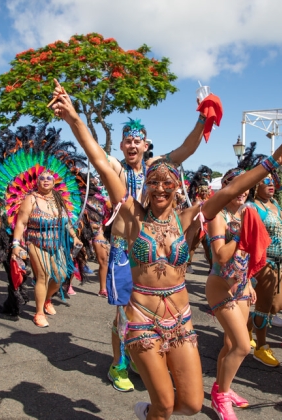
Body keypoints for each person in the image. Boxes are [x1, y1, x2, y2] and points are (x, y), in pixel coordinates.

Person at [53, 82, 282, 419]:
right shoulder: (133, 217)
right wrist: (74, 117)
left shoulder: (189, 218)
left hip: (181, 321)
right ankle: (143, 396)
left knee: (192, 406)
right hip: (144, 320)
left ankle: (147, 411)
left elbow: (233, 189)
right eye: (154, 182)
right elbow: (100, 162)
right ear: (147, 187)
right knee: (166, 406)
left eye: (168, 182)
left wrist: (273, 162)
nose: (161, 187)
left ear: (177, 185)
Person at [53, 81, 212, 393]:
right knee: (124, 311)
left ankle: (147, 358)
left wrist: (203, 118)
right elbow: (95, 153)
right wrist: (74, 118)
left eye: (137, 140)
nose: (131, 145)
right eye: (127, 140)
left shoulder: (158, 167)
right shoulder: (116, 167)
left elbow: (188, 148)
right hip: (125, 247)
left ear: (146, 144)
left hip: (157, 247)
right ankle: (119, 363)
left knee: (161, 305)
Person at [205, 167, 272, 420]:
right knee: (244, 346)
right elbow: (221, 256)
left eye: (246, 185)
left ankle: (221, 387)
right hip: (220, 286)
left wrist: (250, 284)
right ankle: (220, 399)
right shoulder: (217, 216)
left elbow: (247, 255)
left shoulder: (248, 213)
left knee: (231, 344)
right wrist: (244, 233)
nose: (242, 190)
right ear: (226, 186)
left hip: (242, 287)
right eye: (236, 184)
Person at [11, 169, 82, 327]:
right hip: (36, 242)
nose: (45, 180)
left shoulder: (58, 199)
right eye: (41, 178)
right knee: (43, 275)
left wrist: (74, 236)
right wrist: (16, 244)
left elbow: (66, 222)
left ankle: (47, 299)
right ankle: (39, 313)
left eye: (49, 177)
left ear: (54, 181)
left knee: (60, 275)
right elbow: (21, 223)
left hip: (57, 243)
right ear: (37, 182)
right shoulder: (31, 199)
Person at [247, 173, 282, 367]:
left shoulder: (275, 205)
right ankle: (261, 347)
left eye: (273, 181)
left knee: (276, 306)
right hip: (262, 263)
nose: (271, 184)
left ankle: (246, 328)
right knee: (265, 307)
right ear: (254, 185)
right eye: (265, 181)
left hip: (279, 263)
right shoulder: (252, 207)